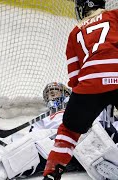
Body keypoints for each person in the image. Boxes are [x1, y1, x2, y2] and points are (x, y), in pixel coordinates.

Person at [0, 82, 118, 180]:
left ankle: (107, 163)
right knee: (38, 141)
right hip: (60, 145)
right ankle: (3, 166)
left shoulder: (82, 105)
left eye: (57, 92)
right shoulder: (43, 118)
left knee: (97, 132)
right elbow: (33, 136)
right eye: (50, 94)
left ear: (67, 94)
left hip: (85, 139)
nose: (53, 95)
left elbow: (102, 121)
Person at [42, 0, 118, 179]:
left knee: (69, 130)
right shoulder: (114, 15)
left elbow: (75, 78)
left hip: (88, 85)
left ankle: (52, 172)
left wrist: (81, 108)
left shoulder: (74, 32)